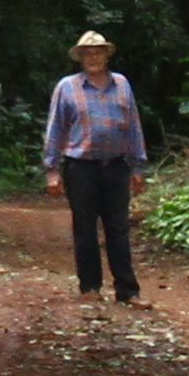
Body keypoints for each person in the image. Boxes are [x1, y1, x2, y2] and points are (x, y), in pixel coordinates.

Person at [40, 30, 146, 302]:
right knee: (85, 228)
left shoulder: (122, 85)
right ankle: (90, 288)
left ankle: (127, 290)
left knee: (118, 229)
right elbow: (55, 129)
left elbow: (133, 127)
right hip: (80, 168)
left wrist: (137, 167)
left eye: (98, 52)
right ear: (81, 58)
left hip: (116, 166)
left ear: (107, 55)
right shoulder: (67, 87)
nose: (93, 57)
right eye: (88, 53)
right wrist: (52, 170)